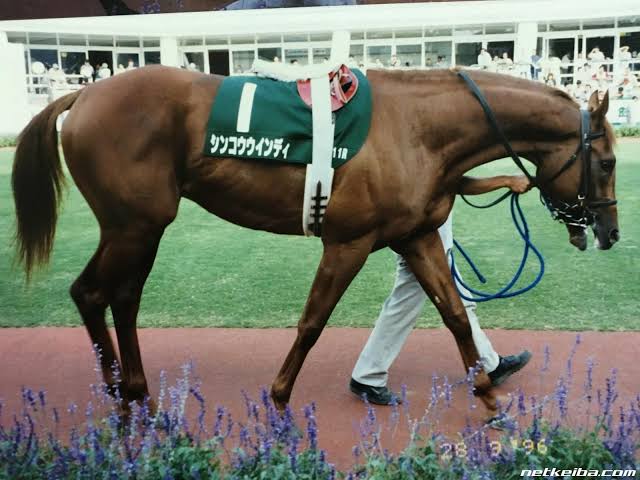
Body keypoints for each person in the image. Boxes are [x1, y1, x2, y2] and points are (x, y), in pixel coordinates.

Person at [350, 175, 534, 405]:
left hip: (425, 220)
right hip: (422, 227)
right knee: (412, 298)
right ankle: (367, 376)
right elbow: (454, 180)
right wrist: (505, 181)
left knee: (456, 298)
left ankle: (489, 364)